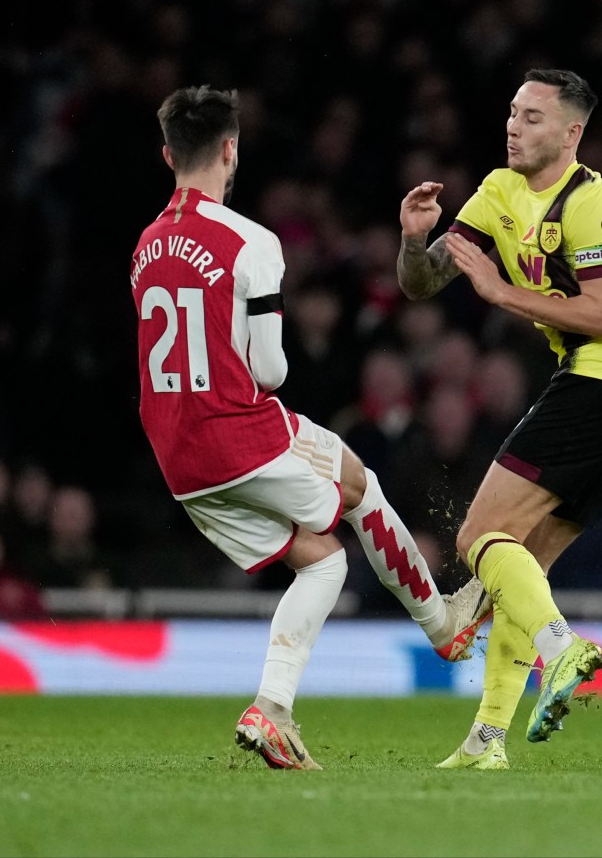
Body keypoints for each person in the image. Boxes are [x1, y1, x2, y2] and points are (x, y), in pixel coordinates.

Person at [131, 85, 489, 771]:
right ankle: (445, 626)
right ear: (231, 150)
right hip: (236, 430)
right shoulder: (251, 242)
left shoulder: (146, 245)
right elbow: (269, 369)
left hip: (176, 454)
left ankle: (272, 708)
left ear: (168, 154)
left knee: (323, 559)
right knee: (360, 483)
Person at [397, 68, 602, 768]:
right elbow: (425, 281)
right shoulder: (498, 191)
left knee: (478, 537)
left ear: (570, 133)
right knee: (519, 569)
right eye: (512, 114)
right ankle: (487, 739)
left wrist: (499, 291)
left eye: (531, 117)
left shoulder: (594, 205)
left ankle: (564, 650)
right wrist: (412, 240)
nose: (513, 127)